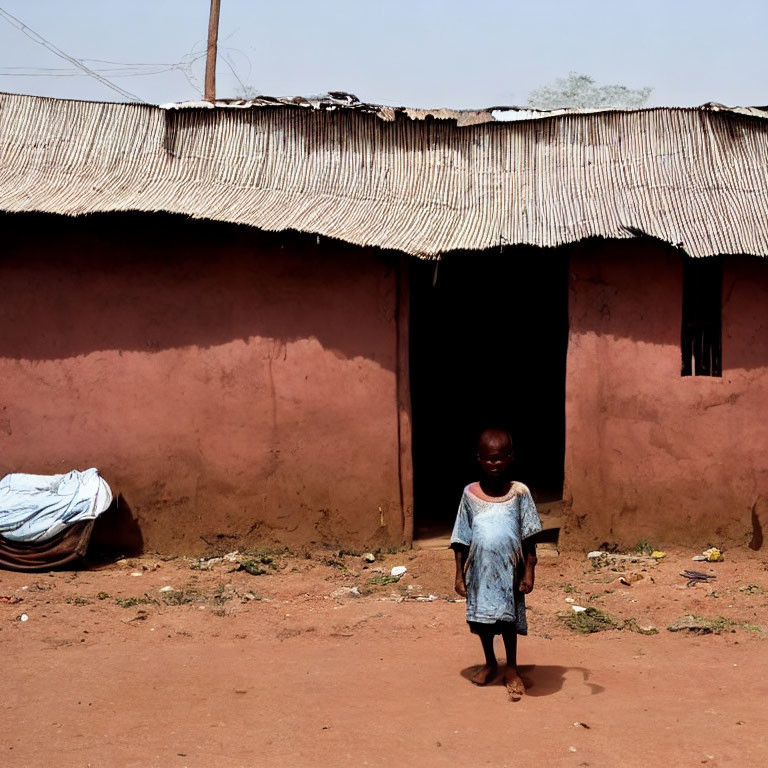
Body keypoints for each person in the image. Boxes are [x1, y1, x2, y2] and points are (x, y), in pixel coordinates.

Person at [450, 428, 542, 700]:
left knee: (507, 621)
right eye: (489, 459)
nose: (495, 464)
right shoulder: (469, 495)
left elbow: (530, 537)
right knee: (483, 623)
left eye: (500, 458)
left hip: (509, 571)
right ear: (478, 458)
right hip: (480, 572)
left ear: (511, 457)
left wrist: (529, 571)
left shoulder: (519, 493)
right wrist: (458, 575)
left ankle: (511, 668)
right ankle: (490, 662)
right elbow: (460, 539)